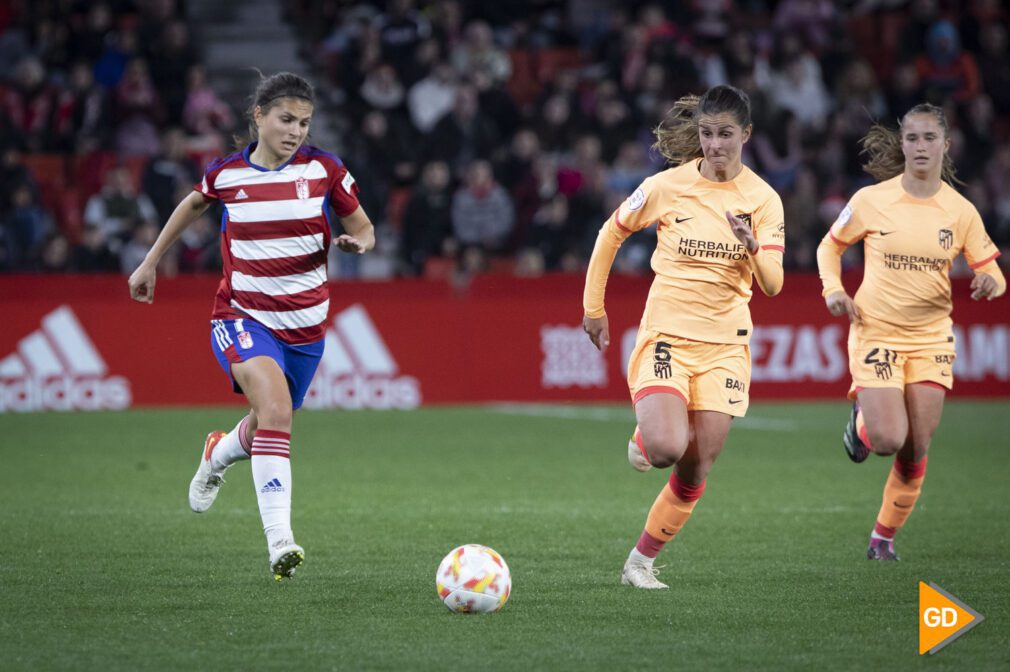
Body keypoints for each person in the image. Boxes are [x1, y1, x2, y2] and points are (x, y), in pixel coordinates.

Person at [128, 72, 375, 580]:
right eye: (286, 120)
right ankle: (279, 541)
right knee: (277, 410)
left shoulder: (326, 170)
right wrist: (149, 261)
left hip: (306, 327)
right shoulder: (227, 176)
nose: (296, 131)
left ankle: (217, 452)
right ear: (258, 117)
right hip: (242, 316)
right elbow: (193, 203)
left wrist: (359, 245)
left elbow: (364, 226)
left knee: (269, 423)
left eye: (304, 123)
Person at [582, 85, 785, 589]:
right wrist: (593, 307)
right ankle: (648, 433)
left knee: (697, 467)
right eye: (707, 133)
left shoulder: (763, 199)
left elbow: (774, 285)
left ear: (747, 135)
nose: (715, 145)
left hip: (726, 346)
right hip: (668, 335)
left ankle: (640, 563)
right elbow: (612, 232)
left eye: (725, 134)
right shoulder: (666, 186)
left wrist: (753, 246)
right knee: (668, 448)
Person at [816, 103, 1004, 561]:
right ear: (902, 144)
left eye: (929, 138)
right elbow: (830, 246)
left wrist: (989, 281)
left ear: (946, 145)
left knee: (917, 443)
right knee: (887, 439)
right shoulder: (870, 200)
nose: (921, 147)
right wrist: (833, 290)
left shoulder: (960, 212)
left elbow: (994, 272)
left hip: (931, 337)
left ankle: (883, 538)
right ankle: (862, 424)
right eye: (913, 138)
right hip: (876, 330)